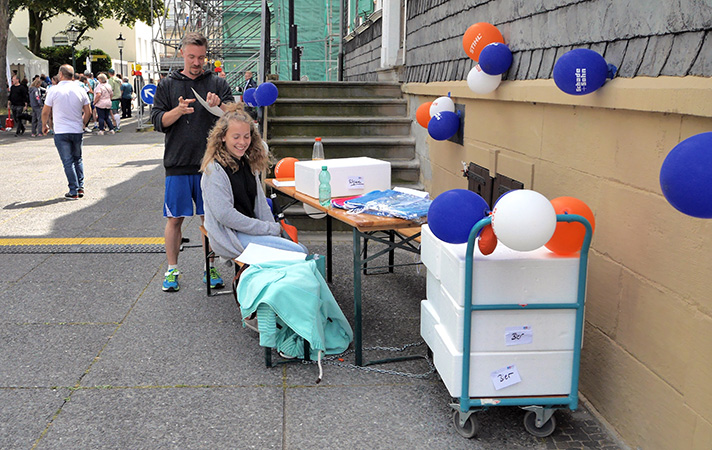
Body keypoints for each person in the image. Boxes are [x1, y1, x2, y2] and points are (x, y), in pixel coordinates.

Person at [151, 32, 234, 293]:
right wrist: (178, 111)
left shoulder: (217, 83)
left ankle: (209, 267)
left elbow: (237, 116)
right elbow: (157, 122)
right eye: (191, 57)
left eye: (200, 57)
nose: (196, 62)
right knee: (174, 219)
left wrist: (220, 105)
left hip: (211, 165)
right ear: (182, 54)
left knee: (209, 219)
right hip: (177, 163)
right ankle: (172, 269)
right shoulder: (167, 85)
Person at [201, 104, 307, 261]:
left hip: (248, 231)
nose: (242, 142)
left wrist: (273, 230)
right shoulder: (214, 170)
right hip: (230, 236)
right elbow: (225, 215)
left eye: (246, 136)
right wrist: (267, 228)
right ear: (223, 137)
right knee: (298, 254)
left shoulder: (247, 162)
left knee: (300, 249)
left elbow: (261, 205)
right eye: (236, 137)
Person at [41, 65, 92, 200]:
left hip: (61, 130)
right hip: (76, 130)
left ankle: (73, 190)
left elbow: (45, 111)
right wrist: (83, 124)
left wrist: (44, 125)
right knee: (78, 159)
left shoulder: (54, 90)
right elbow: (88, 111)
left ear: (61, 75)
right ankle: (80, 187)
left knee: (67, 161)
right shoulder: (80, 89)